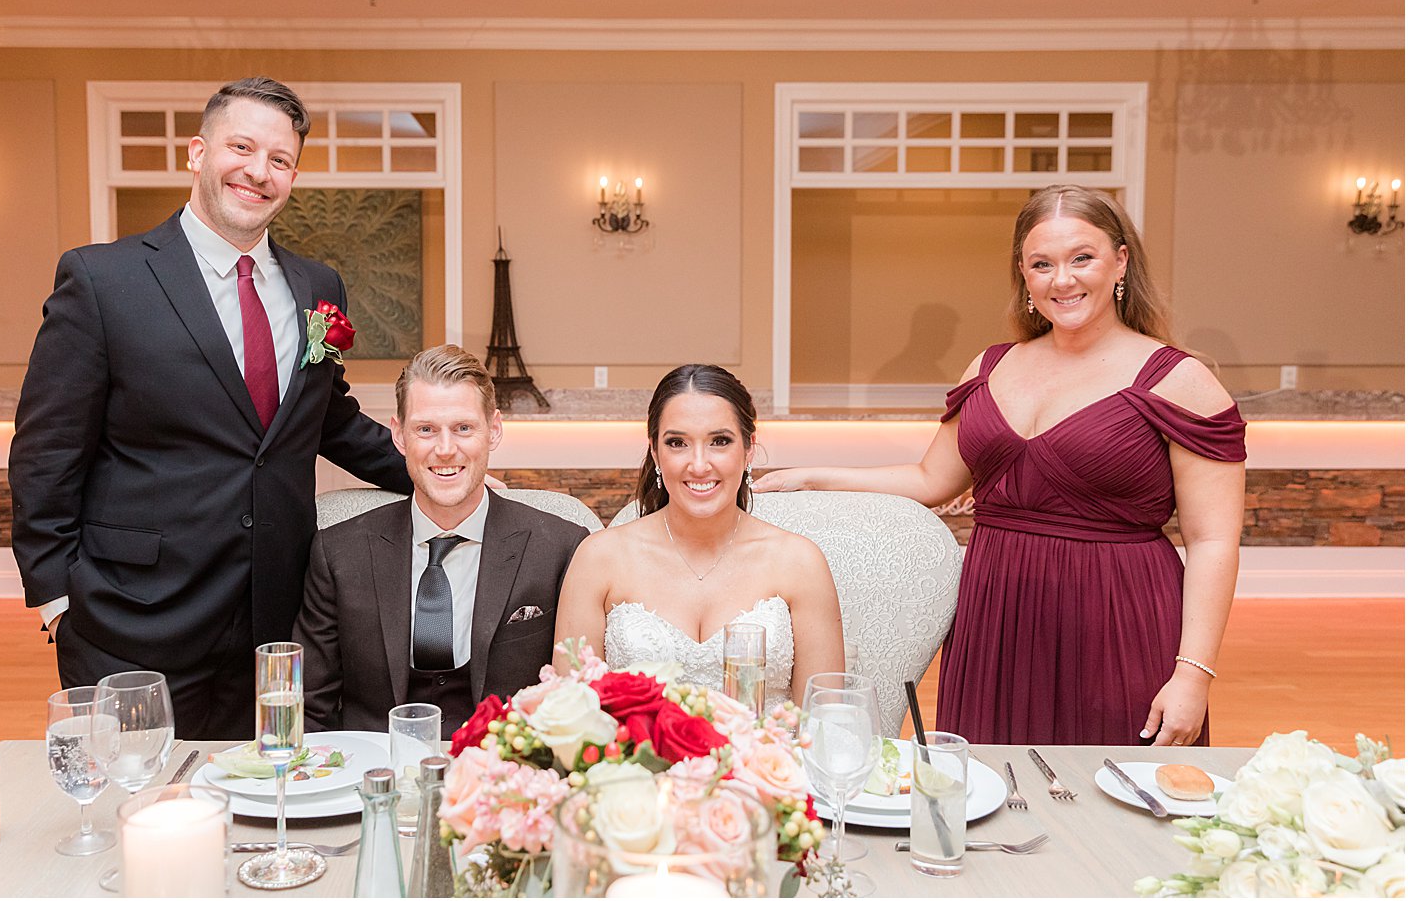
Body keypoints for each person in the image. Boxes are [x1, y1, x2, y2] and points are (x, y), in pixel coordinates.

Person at [756, 185, 1245, 747]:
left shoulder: (1178, 379)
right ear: (1024, 275)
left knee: (1116, 801)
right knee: (990, 800)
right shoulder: (991, 366)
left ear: (1121, 261)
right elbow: (931, 480)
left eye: (1081, 257)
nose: (1063, 279)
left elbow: (1213, 541)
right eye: (1043, 264)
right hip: (997, 616)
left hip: (1118, 616)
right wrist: (814, 477)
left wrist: (1193, 674)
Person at [9, 77, 413, 739]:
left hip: (273, 622)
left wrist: (440, 472)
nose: (258, 171)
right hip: (131, 621)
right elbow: (45, 451)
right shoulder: (101, 279)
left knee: (256, 805)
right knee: (139, 814)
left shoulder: (317, 285)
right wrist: (57, 597)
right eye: (242, 147)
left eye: (279, 160)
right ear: (198, 152)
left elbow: (328, 419)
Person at [295, 345, 589, 738]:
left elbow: (579, 702)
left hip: (508, 780)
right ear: (398, 435)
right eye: (426, 429)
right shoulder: (337, 552)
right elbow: (309, 710)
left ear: (494, 430)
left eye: (463, 428)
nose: (446, 449)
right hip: (373, 779)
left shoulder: (562, 547)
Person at [554, 364, 844, 708]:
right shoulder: (598, 559)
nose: (699, 464)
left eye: (720, 441)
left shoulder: (799, 562)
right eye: (677, 443)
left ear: (749, 449)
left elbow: (826, 718)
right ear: (655, 452)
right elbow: (570, 714)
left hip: (774, 760)